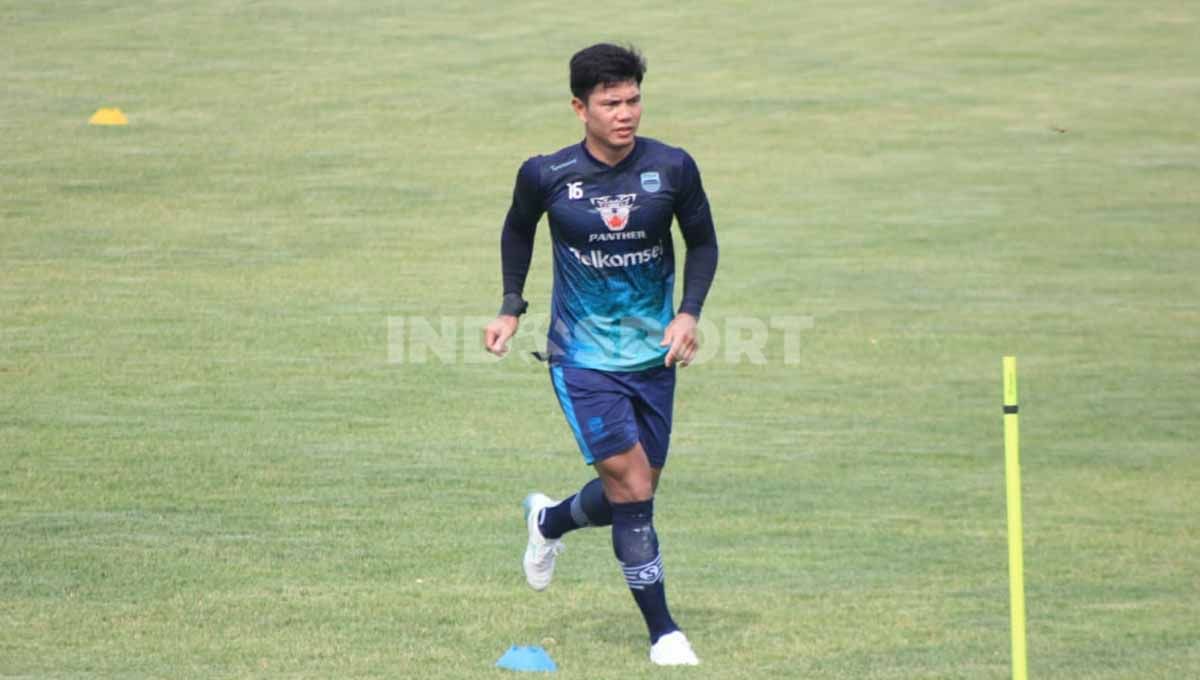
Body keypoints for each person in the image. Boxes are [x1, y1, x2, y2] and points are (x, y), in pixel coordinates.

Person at [483, 43, 718, 667]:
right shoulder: (546, 173)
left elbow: (703, 244)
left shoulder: (672, 168)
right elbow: (516, 227)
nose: (626, 113)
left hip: (654, 357)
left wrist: (688, 314)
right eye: (611, 103)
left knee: (634, 491)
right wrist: (512, 308)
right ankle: (665, 634)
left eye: (633, 99)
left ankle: (549, 523)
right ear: (579, 108)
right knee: (633, 487)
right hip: (581, 357)